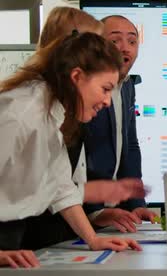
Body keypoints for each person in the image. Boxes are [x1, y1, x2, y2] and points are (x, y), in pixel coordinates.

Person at [0, 32, 142, 268]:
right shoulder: (21, 114)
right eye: (105, 89)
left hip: (13, 233)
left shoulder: (52, 113)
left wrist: (94, 240)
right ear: (77, 76)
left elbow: (62, 188)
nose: (108, 102)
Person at [83, 15, 157, 233]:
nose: (125, 48)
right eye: (115, 41)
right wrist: (96, 211)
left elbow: (130, 146)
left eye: (132, 41)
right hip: (77, 212)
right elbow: (79, 156)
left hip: (113, 213)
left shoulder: (127, 86)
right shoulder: (83, 88)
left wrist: (136, 204)